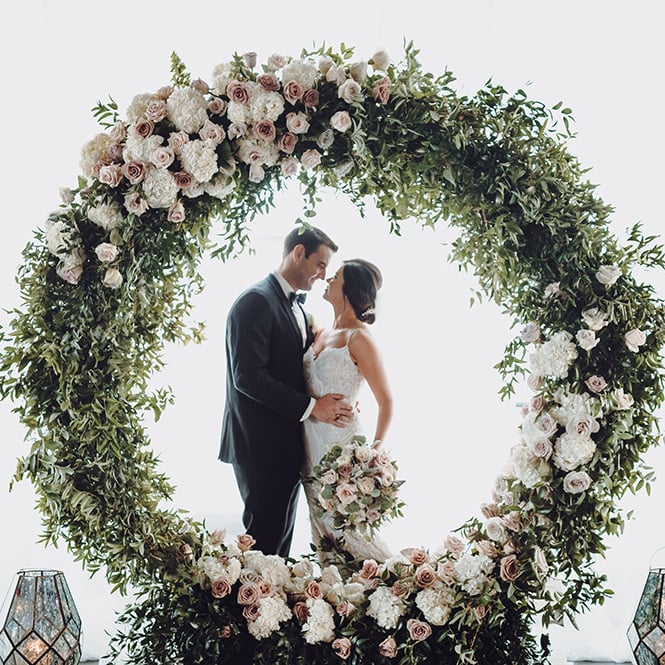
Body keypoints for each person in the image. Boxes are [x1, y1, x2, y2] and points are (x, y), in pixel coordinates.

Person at [219, 226, 353, 558]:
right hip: (260, 446)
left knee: (277, 553)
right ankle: (247, 611)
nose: (323, 275)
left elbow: (300, 368)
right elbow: (247, 377)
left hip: (289, 446)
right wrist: (312, 407)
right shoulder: (255, 301)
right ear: (298, 253)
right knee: (261, 550)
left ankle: (269, 608)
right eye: (320, 264)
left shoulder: (298, 308)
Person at [301, 258, 393, 562]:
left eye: (336, 277)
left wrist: (372, 458)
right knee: (324, 539)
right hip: (310, 449)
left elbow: (386, 401)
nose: (328, 279)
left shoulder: (360, 337)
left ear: (350, 290)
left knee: (350, 534)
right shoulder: (320, 333)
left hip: (341, 450)